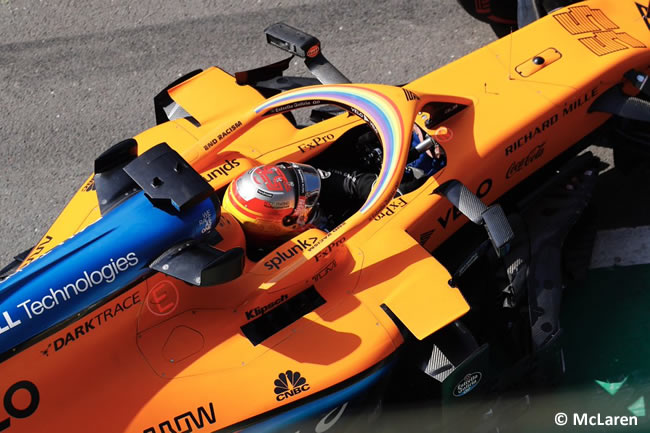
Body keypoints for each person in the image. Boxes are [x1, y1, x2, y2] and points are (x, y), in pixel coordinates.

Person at [222, 127, 446, 243]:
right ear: (285, 223)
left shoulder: (294, 194)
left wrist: (385, 186)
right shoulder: (296, 247)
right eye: (307, 200)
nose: (312, 191)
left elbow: (339, 180)